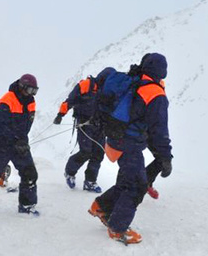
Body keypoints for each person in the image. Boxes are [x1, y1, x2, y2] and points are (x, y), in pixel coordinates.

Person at [88, 53, 173, 245]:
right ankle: (117, 228)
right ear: (162, 72)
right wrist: (165, 157)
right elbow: (158, 130)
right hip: (129, 144)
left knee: (128, 180)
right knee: (136, 186)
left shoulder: (135, 82)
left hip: (116, 138)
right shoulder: (155, 93)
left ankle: (100, 206)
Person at [0, 74, 40, 215]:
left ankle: (26, 205)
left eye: (35, 91)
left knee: (30, 173)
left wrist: (22, 141)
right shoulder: (6, 101)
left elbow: (26, 125)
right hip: (0, 144)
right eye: (30, 90)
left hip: (20, 145)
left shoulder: (30, 102)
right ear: (22, 87)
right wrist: (15, 140)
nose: (32, 94)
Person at [53, 67, 116, 193]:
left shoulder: (109, 91)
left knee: (98, 153)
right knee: (86, 151)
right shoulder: (86, 85)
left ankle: (90, 181)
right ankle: (70, 172)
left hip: (101, 126)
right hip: (84, 124)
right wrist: (60, 114)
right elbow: (70, 100)